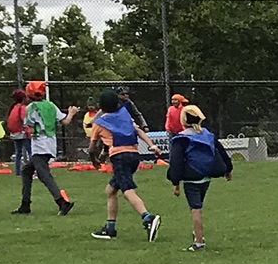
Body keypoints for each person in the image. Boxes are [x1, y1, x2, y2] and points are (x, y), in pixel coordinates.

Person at [88, 90, 161, 241]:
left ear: (101, 106)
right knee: (110, 190)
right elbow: (138, 131)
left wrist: (94, 159)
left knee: (127, 190)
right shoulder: (125, 116)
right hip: (134, 156)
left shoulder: (99, 123)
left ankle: (148, 218)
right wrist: (152, 145)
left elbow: (91, 147)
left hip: (119, 157)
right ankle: (110, 228)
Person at [166, 104, 233, 251]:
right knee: (198, 205)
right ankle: (197, 233)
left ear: (183, 120)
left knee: (195, 209)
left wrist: (175, 182)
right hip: (206, 177)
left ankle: (199, 242)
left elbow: (176, 162)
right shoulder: (208, 135)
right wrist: (228, 170)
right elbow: (221, 152)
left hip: (191, 179)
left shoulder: (181, 139)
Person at [13, 82, 72, 217]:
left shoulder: (31, 108)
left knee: (43, 174)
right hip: (50, 143)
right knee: (26, 171)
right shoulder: (51, 105)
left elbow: (31, 129)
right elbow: (65, 121)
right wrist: (71, 113)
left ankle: (62, 202)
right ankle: (25, 204)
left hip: (39, 145)